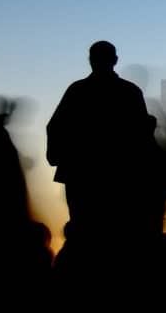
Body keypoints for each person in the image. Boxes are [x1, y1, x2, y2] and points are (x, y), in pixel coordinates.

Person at [46, 41, 160, 247]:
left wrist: (57, 156)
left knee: (86, 232)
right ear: (115, 60)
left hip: (85, 174)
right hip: (116, 175)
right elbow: (142, 135)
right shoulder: (129, 92)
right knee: (114, 232)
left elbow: (55, 127)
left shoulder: (78, 90)